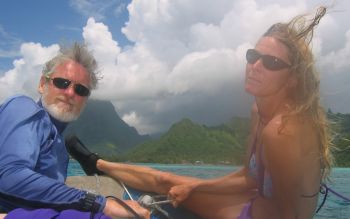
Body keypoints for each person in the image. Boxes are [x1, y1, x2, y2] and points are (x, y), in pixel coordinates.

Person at [70, 6, 333, 219]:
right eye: (253, 56)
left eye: (271, 62)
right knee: (167, 179)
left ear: (292, 79)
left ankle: (97, 164)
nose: (256, 66)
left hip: (251, 212)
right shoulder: (258, 111)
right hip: (255, 198)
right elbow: (250, 177)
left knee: (168, 184)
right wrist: (196, 185)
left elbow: (291, 215)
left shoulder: (282, 130)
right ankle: (97, 163)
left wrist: (196, 190)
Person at [0, 43, 150, 219]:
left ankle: (94, 163)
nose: (70, 92)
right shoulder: (23, 107)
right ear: (42, 84)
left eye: (81, 90)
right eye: (62, 82)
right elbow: (10, 175)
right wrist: (98, 203)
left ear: (85, 100)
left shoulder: (60, 150)